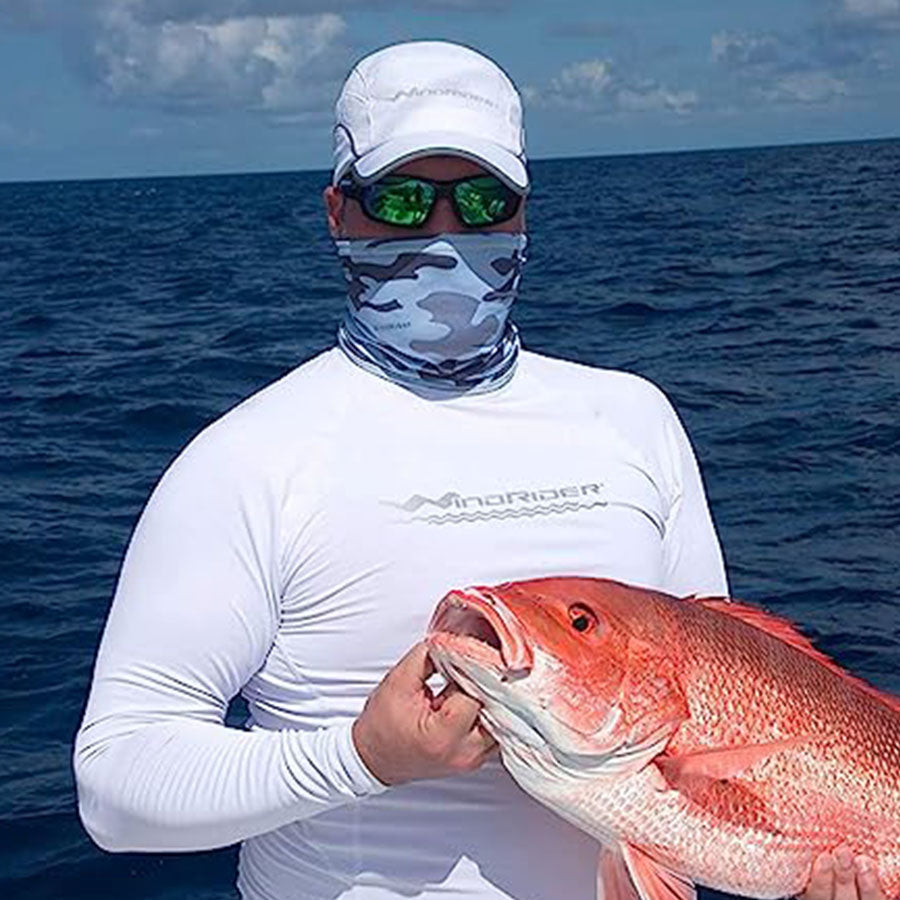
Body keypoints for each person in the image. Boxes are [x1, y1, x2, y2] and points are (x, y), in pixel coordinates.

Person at [73, 40, 884, 900]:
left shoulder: (634, 418)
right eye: (402, 200)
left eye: (483, 200)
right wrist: (359, 757)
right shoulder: (250, 457)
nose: (445, 231)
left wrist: (820, 866)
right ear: (338, 212)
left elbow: (723, 690)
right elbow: (116, 789)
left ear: (523, 213)